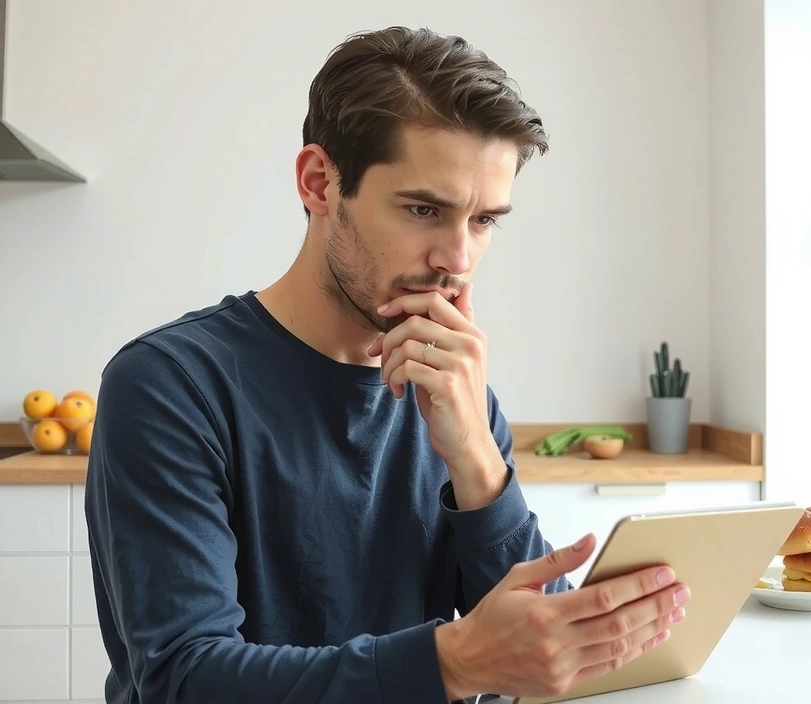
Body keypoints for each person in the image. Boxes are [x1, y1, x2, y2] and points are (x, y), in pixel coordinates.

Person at [83, 26, 690, 704]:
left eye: (485, 220)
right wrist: (452, 663)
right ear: (319, 182)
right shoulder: (169, 386)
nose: (457, 259)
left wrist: (479, 463)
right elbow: (185, 680)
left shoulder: (460, 396)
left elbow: (546, 658)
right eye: (424, 209)